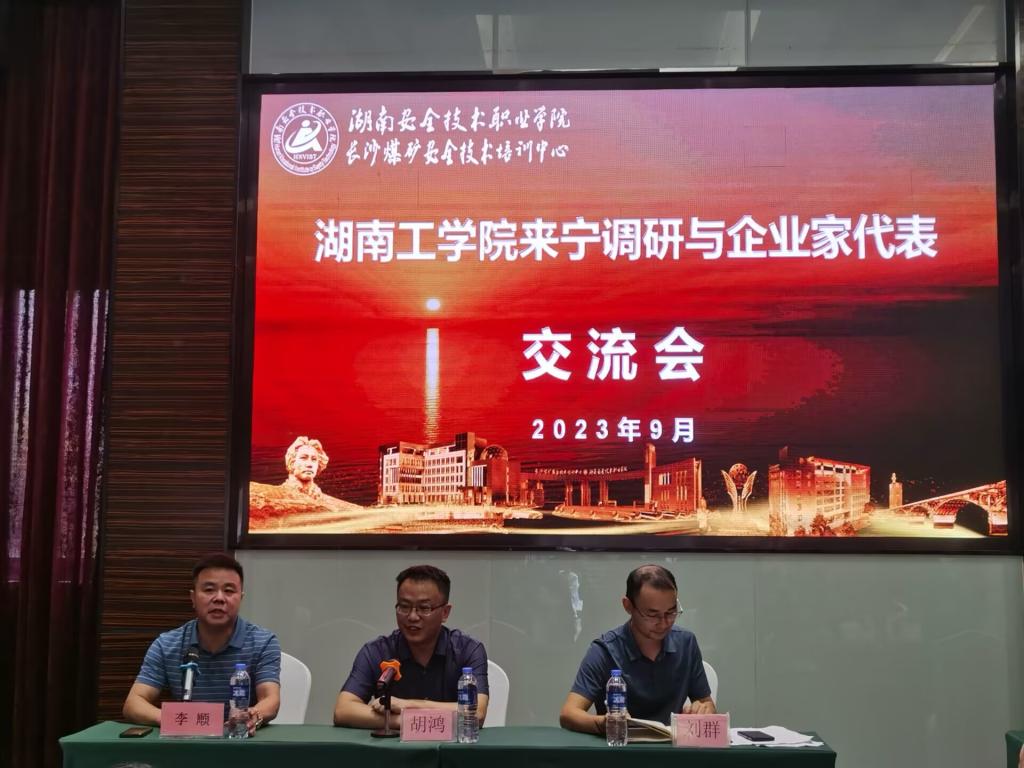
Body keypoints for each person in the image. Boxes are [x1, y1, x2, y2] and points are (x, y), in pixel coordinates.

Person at [122, 553, 281, 734]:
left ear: (241, 598)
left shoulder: (263, 642)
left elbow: (271, 699)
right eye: (209, 590)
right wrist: (177, 720)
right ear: (193, 598)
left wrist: (253, 716)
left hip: (239, 739)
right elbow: (133, 704)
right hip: (187, 741)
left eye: (229, 591)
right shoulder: (166, 645)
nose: (219, 598)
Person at [559, 564, 715, 735]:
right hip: (622, 746)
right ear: (628, 606)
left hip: (670, 746)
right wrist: (604, 723)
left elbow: (707, 705)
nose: (664, 623)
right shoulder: (605, 650)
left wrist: (704, 710)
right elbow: (568, 714)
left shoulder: (686, 643)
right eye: (652, 615)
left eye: (671, 612)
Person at [334, 564, 490, 729]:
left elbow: (475, 712)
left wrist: (407, 705)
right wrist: (405, 722)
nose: (412, 617)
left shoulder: (468, 650)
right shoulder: (377, 651)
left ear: (445, 612)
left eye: (424, 608)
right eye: (404, 607)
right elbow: (343, 710)